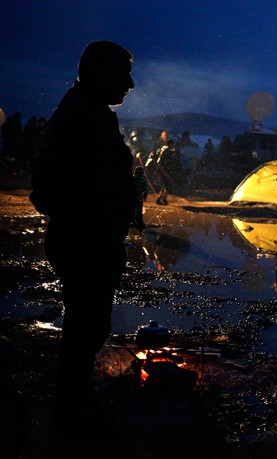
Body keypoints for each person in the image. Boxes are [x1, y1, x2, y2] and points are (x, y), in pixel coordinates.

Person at [29, 40, 136, 427]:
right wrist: (107, 233)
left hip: (85, 237)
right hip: (86, 240)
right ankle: (73, 415)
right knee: (85, 328)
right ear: (102, 73)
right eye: (123, 74)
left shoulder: (87, 110)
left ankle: (76, 405)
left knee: (86, 326)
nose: (130, 84)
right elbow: (90, 188)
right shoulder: (87, 115)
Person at [132, 165, 148, 230]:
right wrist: (145, 197)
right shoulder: (142, 180)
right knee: (139, 210)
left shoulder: (132, 179)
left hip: (132, 197)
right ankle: (139, 222)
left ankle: (133, 221)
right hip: (139, 197)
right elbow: (145, 190)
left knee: (132, 209)